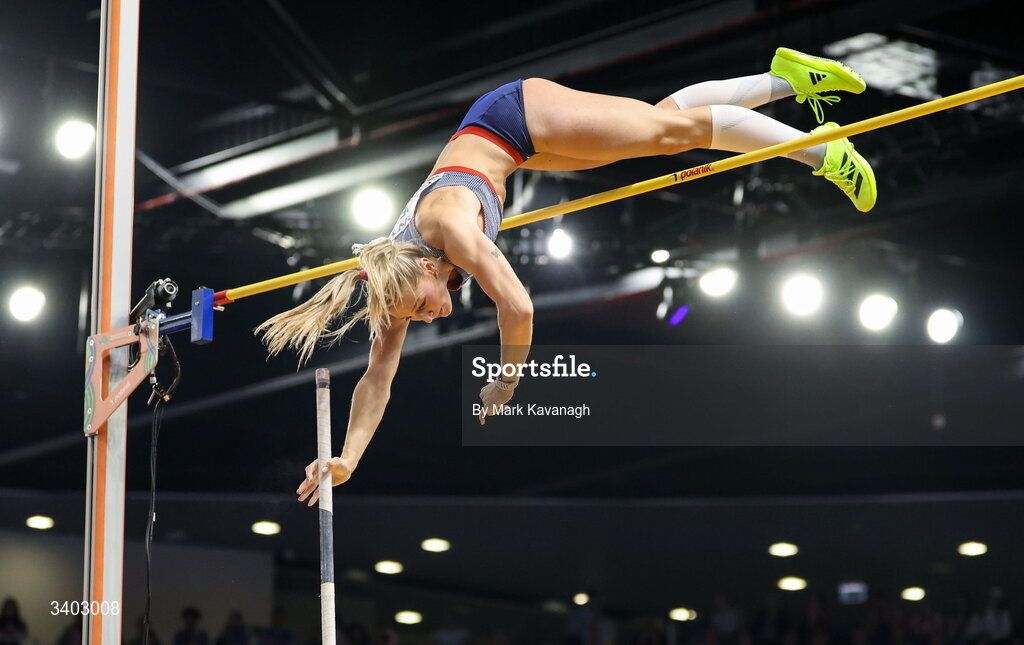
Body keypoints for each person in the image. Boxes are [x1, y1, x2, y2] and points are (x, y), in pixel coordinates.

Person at [264, 48, 877, 499]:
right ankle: (786, 78)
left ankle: (825, 149)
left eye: (424, 308)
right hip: (516, 144)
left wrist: (506, 383)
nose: (432, 316)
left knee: (669, 132)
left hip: (514, 117)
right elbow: (377, 378)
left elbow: (520, 308)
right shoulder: (395, 288)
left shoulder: (450, 227)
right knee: (659, 127)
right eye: (424, 317)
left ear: (424, 267)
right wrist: (346, 458)